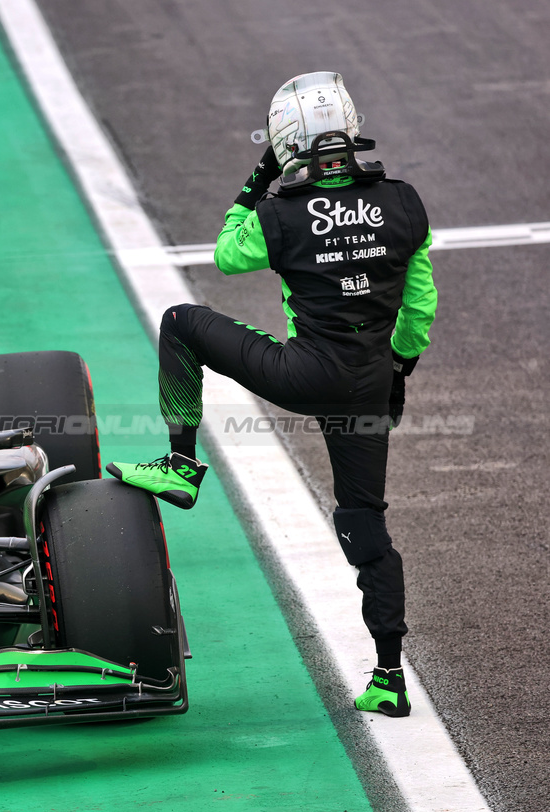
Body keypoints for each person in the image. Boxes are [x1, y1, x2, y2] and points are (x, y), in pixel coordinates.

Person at [109, 72, 437, 718]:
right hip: (368, 385)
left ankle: (179, 462)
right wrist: (394, 371)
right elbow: (418, 309)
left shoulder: (279, 214)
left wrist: (257, 177)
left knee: (180, 323)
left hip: (303, 374)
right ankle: (389, 677)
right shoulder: (403, 203)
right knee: (363, 522)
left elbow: (227, 255)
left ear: (285, 142)